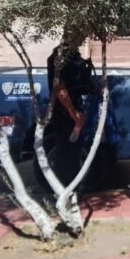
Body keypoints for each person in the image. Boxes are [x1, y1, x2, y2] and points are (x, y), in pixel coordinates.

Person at [44, 37, 90, 186]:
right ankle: (65, 189)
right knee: (65, 154)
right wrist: (72, 112)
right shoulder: (59, 57)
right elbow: (59, 87)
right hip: (64, 114)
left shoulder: (72, 55)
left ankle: (71, 189)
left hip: (73, 110)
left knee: (73, 153)